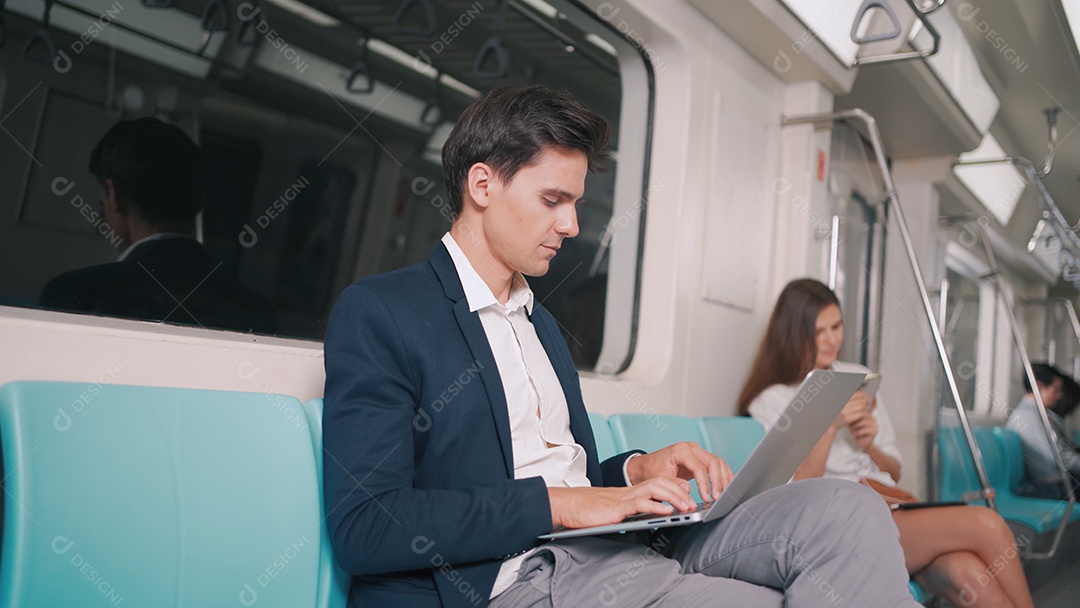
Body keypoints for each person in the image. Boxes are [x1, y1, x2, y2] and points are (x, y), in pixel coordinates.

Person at [323, 86, 922, 608]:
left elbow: (572, 474)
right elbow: (366, 523)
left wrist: (637, 470)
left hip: (616, 546)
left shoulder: (541, 324)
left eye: (576, 203)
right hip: (514, 575)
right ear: (483, 184)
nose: (572, 226)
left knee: (848, 511)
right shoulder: (384, 313)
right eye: (553, 200)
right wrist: (560, 507)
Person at [739, 278, 1033, 608]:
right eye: (819, 331)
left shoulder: (857, 376)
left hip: (889, 503)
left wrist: (869, 444)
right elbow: (795, 496)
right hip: (842, 522)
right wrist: (830, 425)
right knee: (987, 525)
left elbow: (894, 471)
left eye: (837, 326)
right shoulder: (772, 400)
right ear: (794, 334)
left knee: (966, 572)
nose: (831, 339)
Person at [39, 117, 275, 334]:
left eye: (102, 204)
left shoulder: (73, 294)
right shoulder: (254, 311)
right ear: (200, 199)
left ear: (114, 196)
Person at [1006, 363, 1080, 498]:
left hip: (1059, 480)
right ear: (1040, 386)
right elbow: (1055, 459)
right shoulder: (1027, 417)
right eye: (1056, 390)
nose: (1059, 396)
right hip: (1048, 486)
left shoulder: (1044, 414)